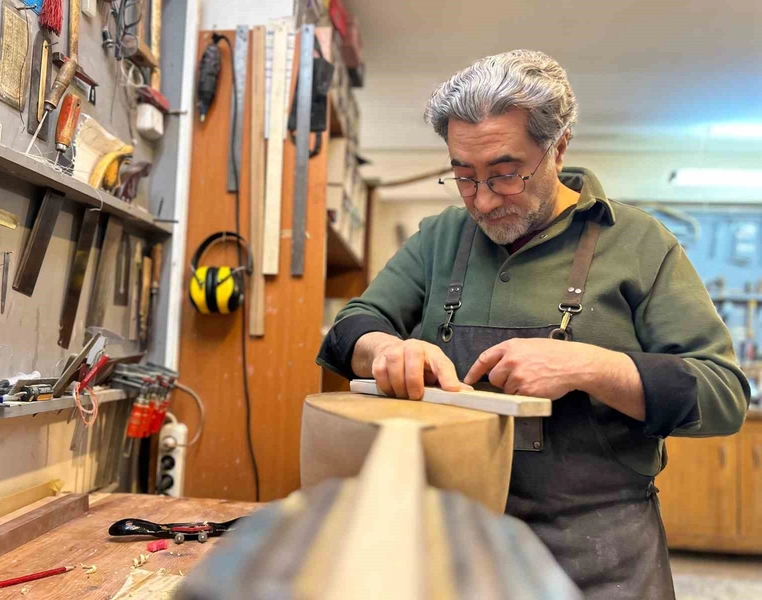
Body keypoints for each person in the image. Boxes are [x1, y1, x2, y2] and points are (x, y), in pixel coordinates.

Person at [316, 49, 750, 599]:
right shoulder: (441, 237)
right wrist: (384, 350)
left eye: (504, 175)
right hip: (448, 543)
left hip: (599, 556)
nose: (482, 201)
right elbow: (351, 327)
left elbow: (723, 393)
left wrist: (593, 366)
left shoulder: (641, 243)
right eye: (464, 176)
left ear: (558, 147)